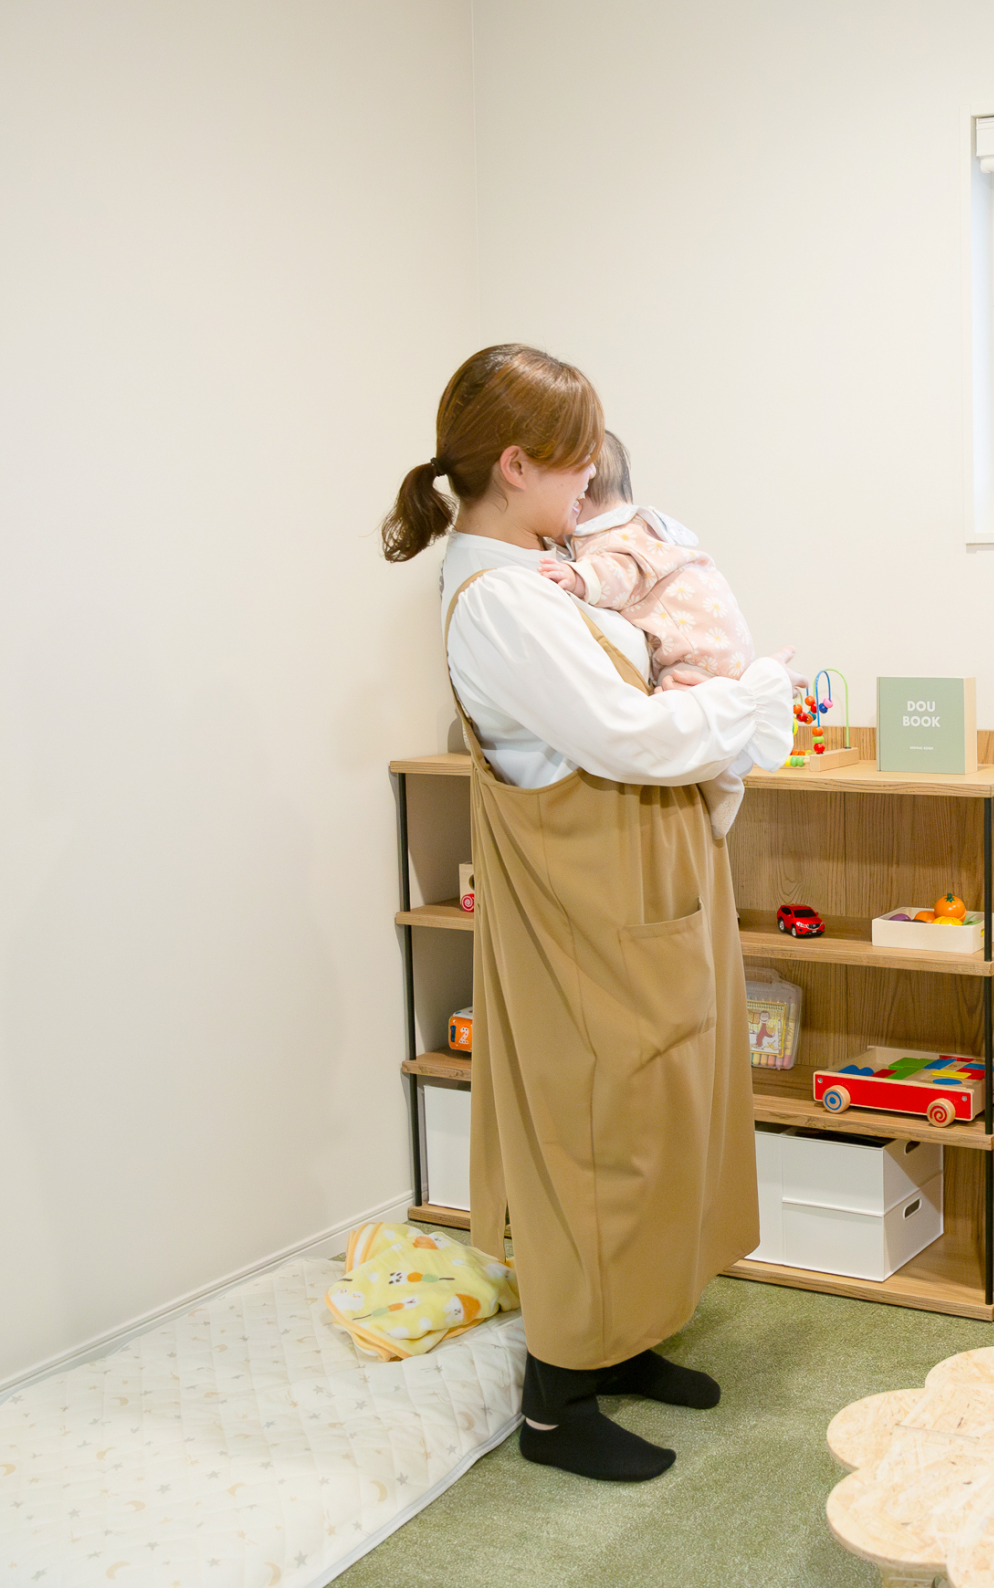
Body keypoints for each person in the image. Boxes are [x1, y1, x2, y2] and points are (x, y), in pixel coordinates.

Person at [380, 344, 794, 1482]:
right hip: (591, 896)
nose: (591, 488)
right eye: (574, 465)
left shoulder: (540, 572)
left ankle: (623, 1340)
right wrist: (755, 696)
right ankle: (558, 1401)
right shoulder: (499, 601)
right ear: (516, 466)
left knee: (659, 1117)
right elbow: (628, 735)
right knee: (599, 1134)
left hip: (641, 878)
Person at [537, 430, 755, 688]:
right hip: (725, 646)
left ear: (579, 498)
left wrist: (577, 577)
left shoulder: (609, 539)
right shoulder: (639, 529)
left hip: (698, 655)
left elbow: (617, 574)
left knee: (672, 693)